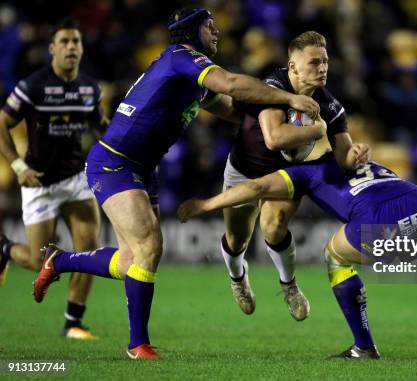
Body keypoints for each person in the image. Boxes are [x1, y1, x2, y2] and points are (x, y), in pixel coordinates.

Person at [33, 7, 320, 360]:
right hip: (113, 163)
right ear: (191, 31)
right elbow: (230, 83)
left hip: (142, 168)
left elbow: (231, 108)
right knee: (149, 247)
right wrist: (288, 98)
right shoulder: (181, 56)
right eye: (209, 27)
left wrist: (274, 120)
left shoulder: (192, 78)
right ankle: (137, 345)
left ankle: (59, 261)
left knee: (130, 260)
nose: (217, 32)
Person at [177, 153, 417, 361]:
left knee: (334, 256)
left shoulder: (302, 172)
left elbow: (258, 187)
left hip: (383, 222)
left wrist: (209, 202)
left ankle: (363, 346)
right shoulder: (357, 159)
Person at [220, 31, 369, 320]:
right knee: (237, 238)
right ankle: (237, 277)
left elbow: (344, 156)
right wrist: (316, 130)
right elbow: (274, 138)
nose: (322, 68)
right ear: (293, 67)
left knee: (274, 226)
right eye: (314, 62)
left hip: (285, 175)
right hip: (244, 169)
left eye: (325, 61)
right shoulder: (272, 87)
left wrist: (357, 153)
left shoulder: (331, 106)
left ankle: (289, 286)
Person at [0, 19, 106, 340]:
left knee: (89, 252)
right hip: (39, 183)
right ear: (52, 49)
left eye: (76, 41)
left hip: (75, 179)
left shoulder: (89, 88)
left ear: (82, 48)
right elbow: (1, 124)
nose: (71, 47)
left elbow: (100, 124)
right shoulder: (32, 86)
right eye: (65, 41)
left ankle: (73, 323)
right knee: (37, 260)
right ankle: (4, 248)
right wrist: (18, 166)